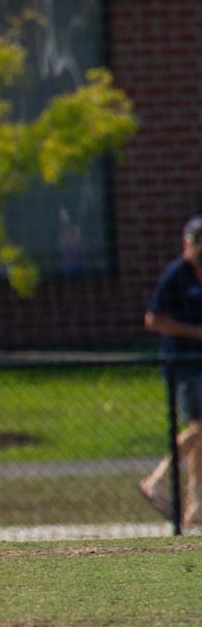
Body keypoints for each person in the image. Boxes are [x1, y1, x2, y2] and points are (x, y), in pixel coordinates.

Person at [138, 216, 202, 528]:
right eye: (197, 241)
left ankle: (196, 504)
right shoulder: (176, 276)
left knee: (199, 432)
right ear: (187, 244)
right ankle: (158, 479)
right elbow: (153, 320)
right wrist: (194, 332)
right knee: (200, 427)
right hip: (184, 364)